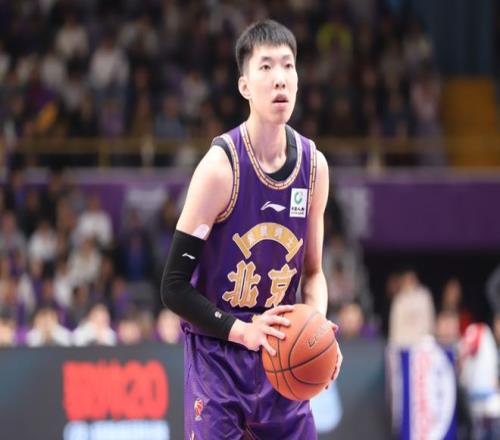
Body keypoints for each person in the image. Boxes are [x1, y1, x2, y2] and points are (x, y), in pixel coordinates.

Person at [161, 20, 342, 439]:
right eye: (266, 67)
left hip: (279, 352)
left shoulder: (314, 168)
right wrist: (244, 331)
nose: (280, 78)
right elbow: (173, 287)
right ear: (244, 86)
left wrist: (316, 330)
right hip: (217, 356)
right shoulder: (220, 168)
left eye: (288, 66)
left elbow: (313, 273)